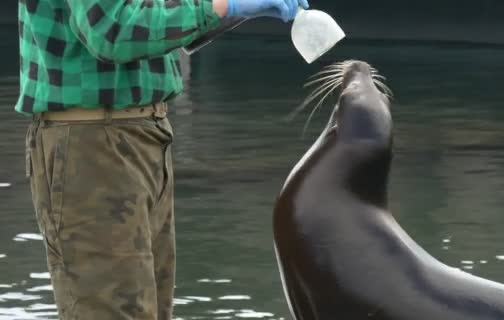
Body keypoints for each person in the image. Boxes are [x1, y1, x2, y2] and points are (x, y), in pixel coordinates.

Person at [17, 0, 308, 318]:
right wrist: (226, 5)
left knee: (151, 309)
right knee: (109, 310)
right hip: (90, 141)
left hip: (145, 132)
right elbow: (112, 32)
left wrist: (230, 8)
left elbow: (163, 20)